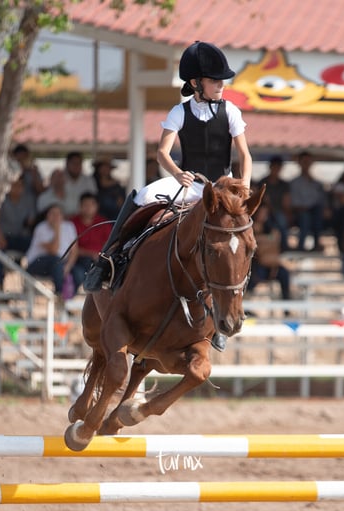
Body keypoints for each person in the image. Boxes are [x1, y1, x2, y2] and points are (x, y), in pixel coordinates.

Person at [84, 41, 253, 351]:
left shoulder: (230, 110)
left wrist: (244, 185)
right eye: (215, 80)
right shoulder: (180, 111)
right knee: (141, 195)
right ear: (195, 83)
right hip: (189, 185)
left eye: (221, 80)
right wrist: (177, 174)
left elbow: (244, 154)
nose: (221, 85)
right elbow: (162, 152)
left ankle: (219, 317)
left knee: (235, 245)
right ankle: (107, 261)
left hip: (221, 190)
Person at [0, 175, 36, 289]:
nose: (16, 188)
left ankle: (29, 285)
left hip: (21, 237)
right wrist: (0, 236)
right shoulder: (0, 199)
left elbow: (31, 221)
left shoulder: (28, 200)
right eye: (13, 185)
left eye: (20, 185)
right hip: (3, 237)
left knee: (36, 246)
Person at [26, 203, 78, 300]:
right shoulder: (41, 228)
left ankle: (68, 300)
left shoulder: (69, 226)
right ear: (47, 216)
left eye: (58, 214)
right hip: (38, 263)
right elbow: (54, 250)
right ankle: (59, 295)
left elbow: (74, 251)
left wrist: (67, 267)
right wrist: (57, 230)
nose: (56, 216)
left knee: (79, 273)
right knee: (56, 260)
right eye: (52, 213)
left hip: (61, 264)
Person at [246, 199, 291, 306]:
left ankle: (287, 306)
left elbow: (276, 237)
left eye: (265, 213)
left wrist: (262, 240)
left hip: (272, 263)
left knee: (285, 274)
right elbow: (253, 242)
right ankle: (246, 306)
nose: (264, 215)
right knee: (249, 280)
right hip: (257, 264)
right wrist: (268, 240)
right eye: (262, 213)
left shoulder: (270, 224)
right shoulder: (250, 224)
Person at [70, 192, 112, 293]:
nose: (88, 208)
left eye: (91, 205)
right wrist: (91, 254)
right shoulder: (72, 223)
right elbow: (69, 248)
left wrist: (100, 255)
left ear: (97, 206)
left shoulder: (104, 223)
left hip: (100, 260)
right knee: (79, 272)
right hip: (78, 260)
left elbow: (111, 245)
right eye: (85, 205)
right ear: (80, 206)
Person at [289, 151, 327, 252]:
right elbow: (294, 202)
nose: (306, 164)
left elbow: (321, 200)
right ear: (299, 163)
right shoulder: (294, 183)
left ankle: (317, 244)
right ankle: (301, 246)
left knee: (317, 214)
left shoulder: (316, 183)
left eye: (308, 161)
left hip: (314, 212)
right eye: (304, 161)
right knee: (305, 217)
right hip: (299, 212)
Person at [258, 155, 291, 251]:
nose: (276, 169)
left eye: (278, 167)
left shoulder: (284, 185)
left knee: (280, 223)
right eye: (274, 167)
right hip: (265, 215)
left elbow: (286, 202)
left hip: (278, 214)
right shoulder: (262, 183)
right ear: (270, 167)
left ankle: (283, 246)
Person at [62, 151, 97, 217]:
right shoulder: (60, 179)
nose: (76, 166)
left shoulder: (88, 180)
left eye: (79, 163)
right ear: (67, 164)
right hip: (62, 219)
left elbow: (92, 201)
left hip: (83, 219)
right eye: (74, 163)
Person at [92, 157, 126, 222]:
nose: (105, 170)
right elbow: (103, 184)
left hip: (114, 214)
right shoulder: (93, 180)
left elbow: (121, 199)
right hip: (99, 212)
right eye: (103, 167)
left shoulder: (116, 184)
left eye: (107, 168)